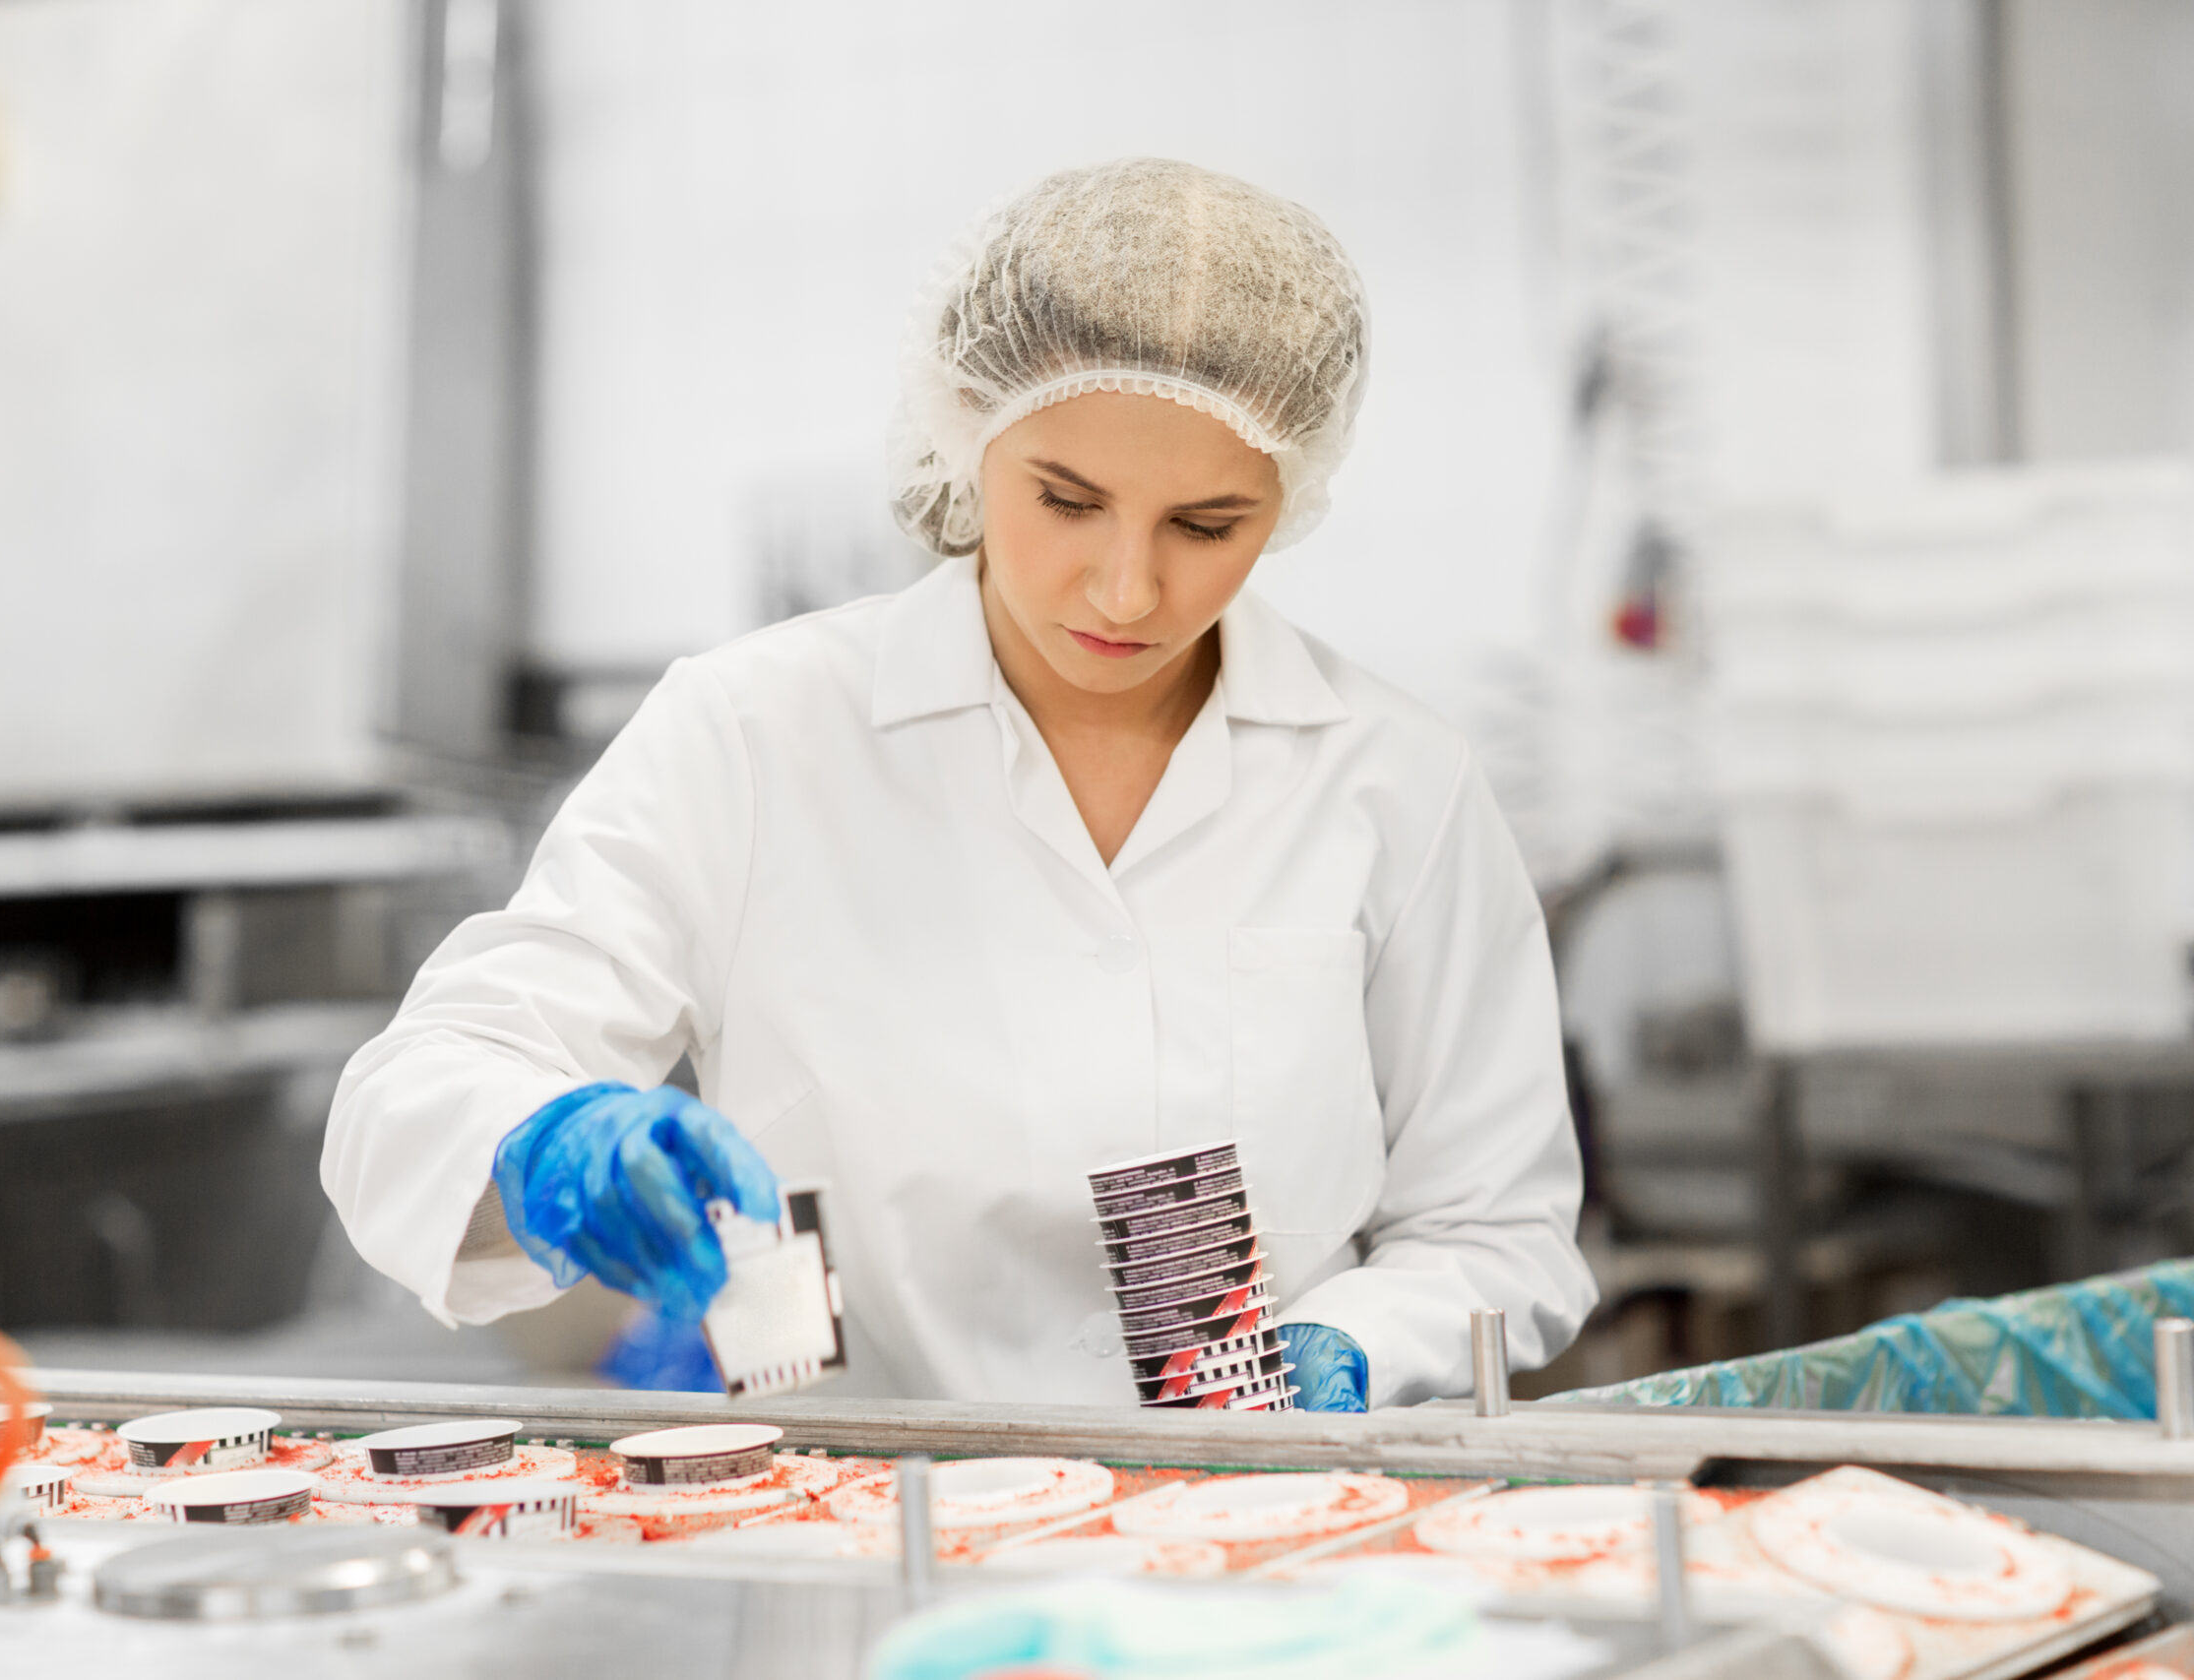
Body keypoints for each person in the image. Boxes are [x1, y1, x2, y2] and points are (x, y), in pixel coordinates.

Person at [325, 158, 1597, 1410]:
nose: (1126, 590)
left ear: (1292, 497)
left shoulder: (1395, 784)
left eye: (1207, 528)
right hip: (861, 1541)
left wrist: (1357, 1348)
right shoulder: (756, 735)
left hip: (1266, 1549)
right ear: (968, 434)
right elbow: (417, 1094)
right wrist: (545, 1149)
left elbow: (1500, 1230)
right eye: (1067, 499)